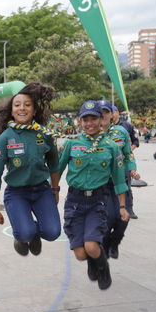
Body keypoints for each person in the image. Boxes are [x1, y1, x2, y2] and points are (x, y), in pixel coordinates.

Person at [57, 101, 129, 290]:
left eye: (93, 119)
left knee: (91, 246)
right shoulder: (72, 144)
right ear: (80, 122)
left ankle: (103, 267)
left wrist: (122, 206)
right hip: (74, 202)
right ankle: (94, 260)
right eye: (85, 119)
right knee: (81, 254)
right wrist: (52, 191)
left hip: (98, 201)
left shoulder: (111, 147)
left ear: (101, 119)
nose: (89, 123)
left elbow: (120, 179)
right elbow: (57, 169)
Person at [0, 82, 61, 257]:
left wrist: (55, 189)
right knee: (24, 232)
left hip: (42, 190)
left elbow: (54, 163)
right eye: (17, 105)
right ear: (11, 111)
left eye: (27, 105)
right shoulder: (5, 138)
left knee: (52, 233)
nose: (22, 108)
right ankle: (22, 236)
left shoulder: (45, 134)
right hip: (17, 193)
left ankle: (34, 232)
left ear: (34, 110)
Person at [98, 101, 140, 258]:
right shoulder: (91, 133)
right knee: (108, 217)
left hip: (121, 180)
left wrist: (133, 169)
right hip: (103, 182)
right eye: (100, 112)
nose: (103, 115)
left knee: (125, 216)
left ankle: (114, 243)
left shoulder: (121, 132)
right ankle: (106, 243)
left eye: (106, 111)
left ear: (112, 114)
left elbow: (129, 153)